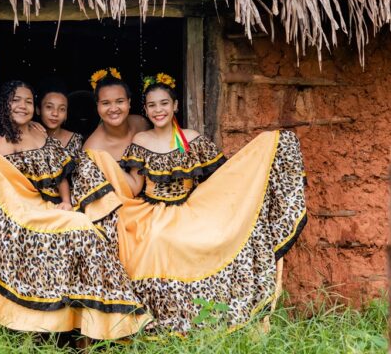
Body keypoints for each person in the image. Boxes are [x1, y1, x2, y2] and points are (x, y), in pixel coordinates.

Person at [0, 80, 149, 340]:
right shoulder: (3, 140)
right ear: (5, 104)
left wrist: (66, 201)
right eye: (16, 100)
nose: (23, 106)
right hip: (23, 210)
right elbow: (4, 186)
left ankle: (108, 321)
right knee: (81, 229)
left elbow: (60, 172)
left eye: (28, 101)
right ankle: (99, 321)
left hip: (47, 206)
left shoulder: (39, 131)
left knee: (85, 227)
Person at [88, 73, 307, 332]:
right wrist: (106, 167)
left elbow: (222, 177)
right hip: (152, 210)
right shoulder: (141, 141)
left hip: (190, 207)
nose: (159, 110)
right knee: (156, 238)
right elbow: (135, 186)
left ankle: (203, 313)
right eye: (153, 105)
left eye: (164, 103)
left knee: (205, 236)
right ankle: (157, 316)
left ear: (175, 105)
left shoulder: (192, 139)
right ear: (145, 110)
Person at [83, 68, 149, 160]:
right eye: (106, 103)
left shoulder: (141, 123)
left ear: (129, 102)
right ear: (97, 105)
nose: (113, 109)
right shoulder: (92, 151)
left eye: (120, 101)